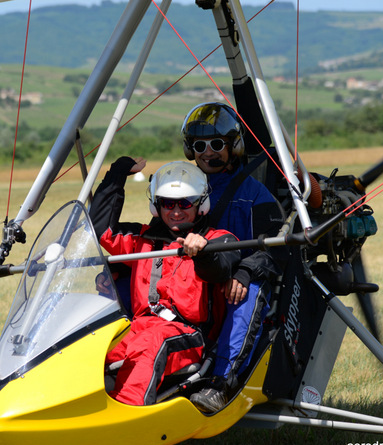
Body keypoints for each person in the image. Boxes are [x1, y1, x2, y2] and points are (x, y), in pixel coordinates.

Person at [89, 158, 240, 406]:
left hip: (190, 336)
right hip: (138, 328)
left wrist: (203, 253)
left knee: (151, 343)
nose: (176, 211)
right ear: (155, 205)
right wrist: (116, 175)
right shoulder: (143, 240)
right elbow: (101, 231)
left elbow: (220, 269)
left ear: (201, 204)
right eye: (168, 203)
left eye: (185, 203)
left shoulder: (219, 239)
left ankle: (128, 413)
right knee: (93, 346)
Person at [181, 102, 286, 413]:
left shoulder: (255, 194)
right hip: (195, 274)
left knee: (246, 294)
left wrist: (244, 273)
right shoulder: (183, 190)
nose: (208, 153)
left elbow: (275, 249)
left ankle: (221, 383)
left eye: (217, 144)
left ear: (234, 147)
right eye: (200, 146)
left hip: (239, 278)